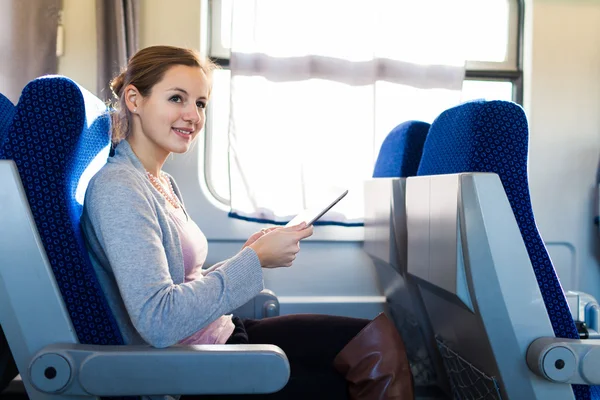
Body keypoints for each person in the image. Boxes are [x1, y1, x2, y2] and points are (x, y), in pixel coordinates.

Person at [81, 45, 413, 400]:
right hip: (190, 367)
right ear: (134, 99)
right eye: (177, 98)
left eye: (201, 103)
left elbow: (180, 281)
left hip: (219, 333)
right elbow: (159, 320)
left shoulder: (159, 180)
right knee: (349, 380)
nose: (192, 115)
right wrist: (254, 261)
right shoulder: (120, 189)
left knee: (373, 341)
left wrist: (249, 253)